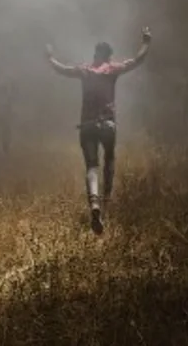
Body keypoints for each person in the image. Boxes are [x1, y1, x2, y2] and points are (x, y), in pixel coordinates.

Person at [46, 27, 153, 234]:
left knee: (92, 167)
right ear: (109, 56)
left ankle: (94, 205)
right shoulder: (112, 69)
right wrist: (146, 41)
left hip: (87, 125)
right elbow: (137, 60)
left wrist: (49, 55)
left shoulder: (84, 70)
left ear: (95, 54)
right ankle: (106, 202)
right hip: (108, 125)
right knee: (110, 161)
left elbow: (60, 68)